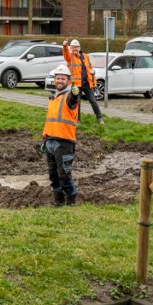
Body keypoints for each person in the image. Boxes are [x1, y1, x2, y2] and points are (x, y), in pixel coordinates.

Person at [42, 64, 81, 207]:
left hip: (64, 142)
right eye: (57, 78)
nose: (59, 81)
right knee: (53, 175)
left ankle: (71, 201)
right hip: (50, 141)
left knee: (64, 174)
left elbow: (74, 99)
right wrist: (44, 138)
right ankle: (58, 202)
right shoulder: (54, 97)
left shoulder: (69, 96)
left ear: (68, 81)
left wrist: (75, 93)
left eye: (62, 79)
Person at [63, 38, 103, 124]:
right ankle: (77, 120)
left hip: (87, 83)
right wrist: (65, 46)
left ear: (79, 48)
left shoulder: (86, 56)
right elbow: (65, 53)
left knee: (93, 101)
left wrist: (94, 81)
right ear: (70, 48)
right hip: (76, 84)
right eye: (73, 47)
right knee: (77, 102)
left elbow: (90, 69)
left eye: (76, 47)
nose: (75, 49)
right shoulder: (70, 57)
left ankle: (99, 118)